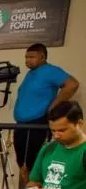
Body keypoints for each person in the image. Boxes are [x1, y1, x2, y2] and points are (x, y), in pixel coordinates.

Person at [14, 43, 79, 180]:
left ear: (42, 57)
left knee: (35, 164)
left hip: (36, 123)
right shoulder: (31, 74)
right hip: (22, 124)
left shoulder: (50, 70)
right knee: (23, 165)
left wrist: (54, 105)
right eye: (26, 57)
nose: (27, 60)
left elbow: (72, 84)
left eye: (32, 57)